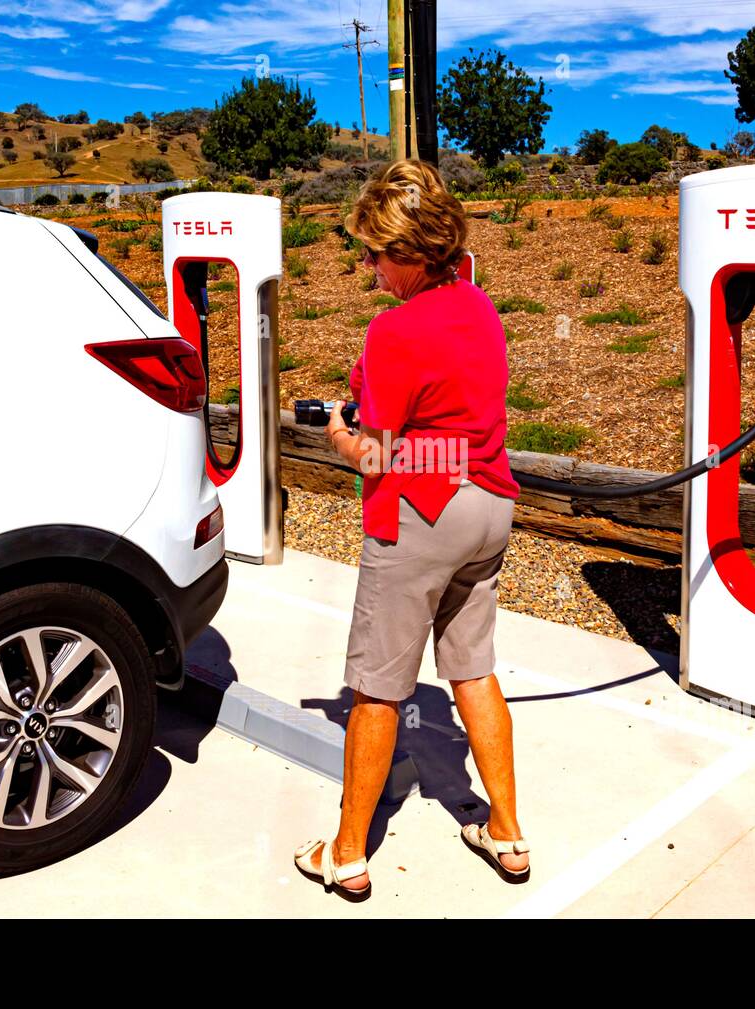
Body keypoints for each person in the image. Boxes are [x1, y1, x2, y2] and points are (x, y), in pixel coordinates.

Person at [292, 160, 530, 901]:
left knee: (376, 687)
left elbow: (379, 456)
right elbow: (443, 411)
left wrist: (339, 436)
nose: (366, 268)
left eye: (373, 253)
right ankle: (507, 830)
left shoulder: (394, 331)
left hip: (422, 514)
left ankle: (348, 852)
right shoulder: (479, 306)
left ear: (411, 252)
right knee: (472, 668)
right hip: (489, 503)